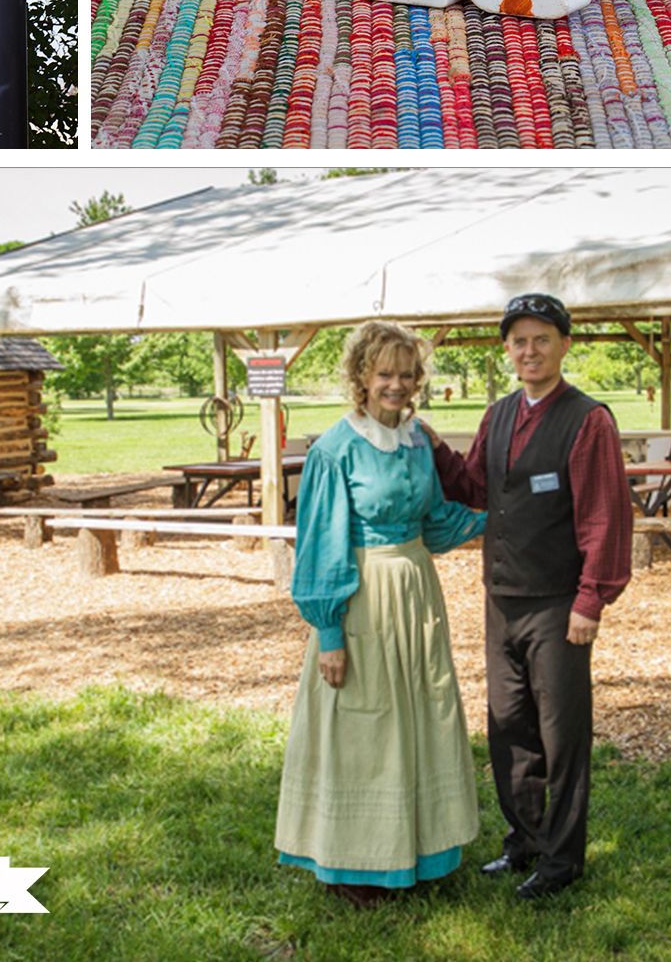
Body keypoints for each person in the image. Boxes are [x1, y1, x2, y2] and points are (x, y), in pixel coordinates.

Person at [274, 320, 487, 908]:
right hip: (361, 595)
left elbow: (437, 520)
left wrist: (502, 517)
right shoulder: (335, 449)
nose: (396, 384)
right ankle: (356, 862)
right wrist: (330, 632)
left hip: (417, 591)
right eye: (384, 373)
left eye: (406, 373)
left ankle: (418, 848)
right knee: (363, 727)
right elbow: (320, 544)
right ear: (361, 378)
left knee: (419, 715)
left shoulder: (418, 440)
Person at [428, 293, 632, 901]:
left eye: (542, 338)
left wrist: (590, 600)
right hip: (503, 598)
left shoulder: (587, 419)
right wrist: (433, 446)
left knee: (561, 733)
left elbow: (604, 517)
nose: (530, 350)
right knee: (509, 727)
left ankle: (562, 861)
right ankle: (524, 841)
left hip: (557, 603)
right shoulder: (498, 415)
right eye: (519, 340)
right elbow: (474, 488)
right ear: (507, 350)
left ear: (565, 345)